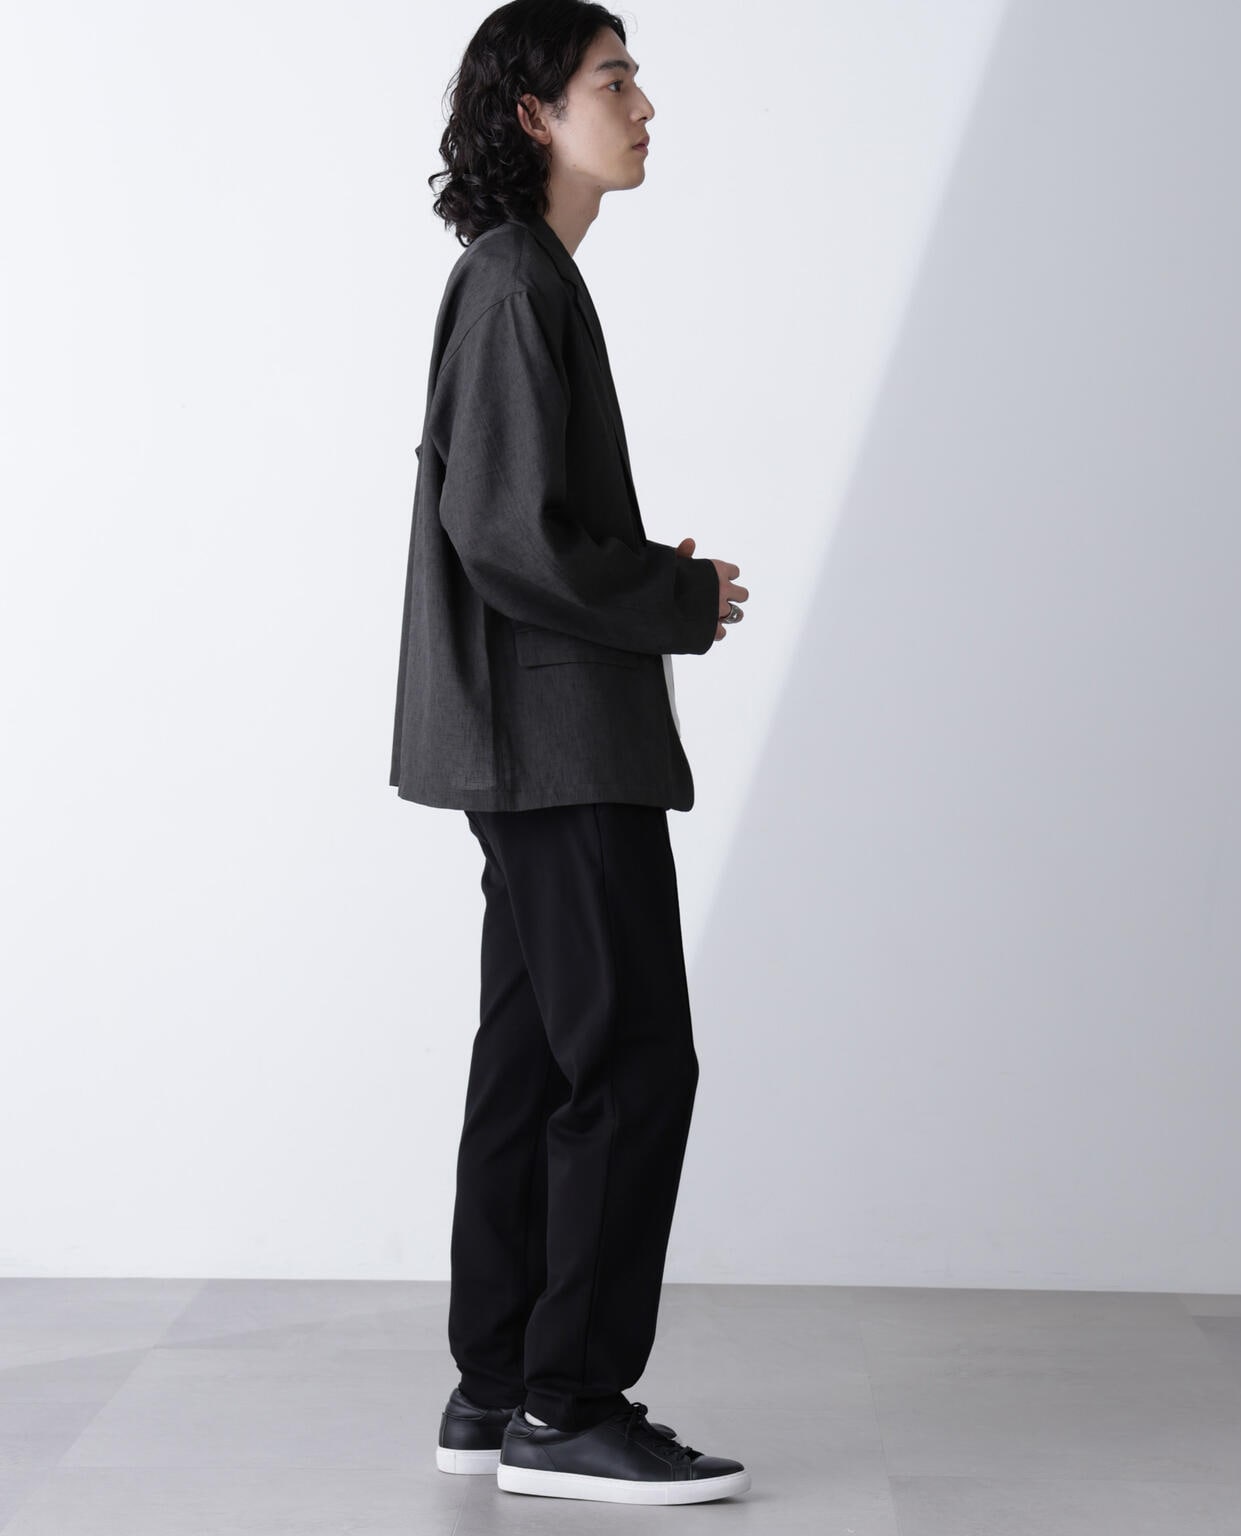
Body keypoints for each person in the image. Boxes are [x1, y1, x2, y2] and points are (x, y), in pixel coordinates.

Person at [389, 0, 751, 1506]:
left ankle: (497, 1387)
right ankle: (572, 1406)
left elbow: (511, 527)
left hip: (540, 739)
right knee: (632, 1057)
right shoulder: (512, 282)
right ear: (535, 113)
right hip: (558, 744)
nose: (644, 104)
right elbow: (503, 533)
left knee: (538, 1058)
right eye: (615, 79)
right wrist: (673, 595)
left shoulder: (524, 277)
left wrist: (640, 582)